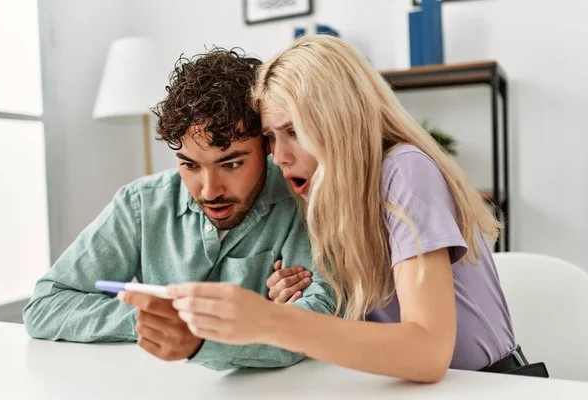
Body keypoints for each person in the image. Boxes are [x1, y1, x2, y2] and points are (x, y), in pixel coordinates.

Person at [168, 35, 548, 381]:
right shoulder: (325, 198)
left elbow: (429, 352)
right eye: (271, 137)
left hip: (490, 385)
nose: (280, 157)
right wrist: (300, 300)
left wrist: (275, 322)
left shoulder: (404, 170)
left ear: (340, 120)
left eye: (296, 131)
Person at [23, 47, 335, 371]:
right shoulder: (142, 204)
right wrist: (158, 320)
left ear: (266, 146)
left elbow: (318, 320)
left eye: (231, 164)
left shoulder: (300, 199)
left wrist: (200, 333)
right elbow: (46, 306)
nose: (209, 190)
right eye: (189, 165)